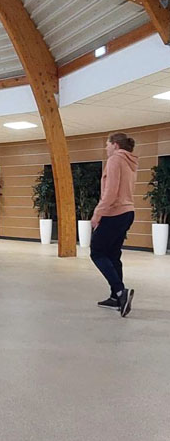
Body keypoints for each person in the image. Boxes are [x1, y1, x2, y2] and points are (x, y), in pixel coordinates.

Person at [90, 132, 138, 318]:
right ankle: (115, 298)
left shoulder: (115, 160)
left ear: (116, 145)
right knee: (112, 254)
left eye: (107, 144)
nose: (106, 148)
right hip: (127, 212)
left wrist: (98, 213)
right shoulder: (130, 161)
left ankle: (120, 291)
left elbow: (111, 192)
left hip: (114, 212)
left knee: (97, 252)